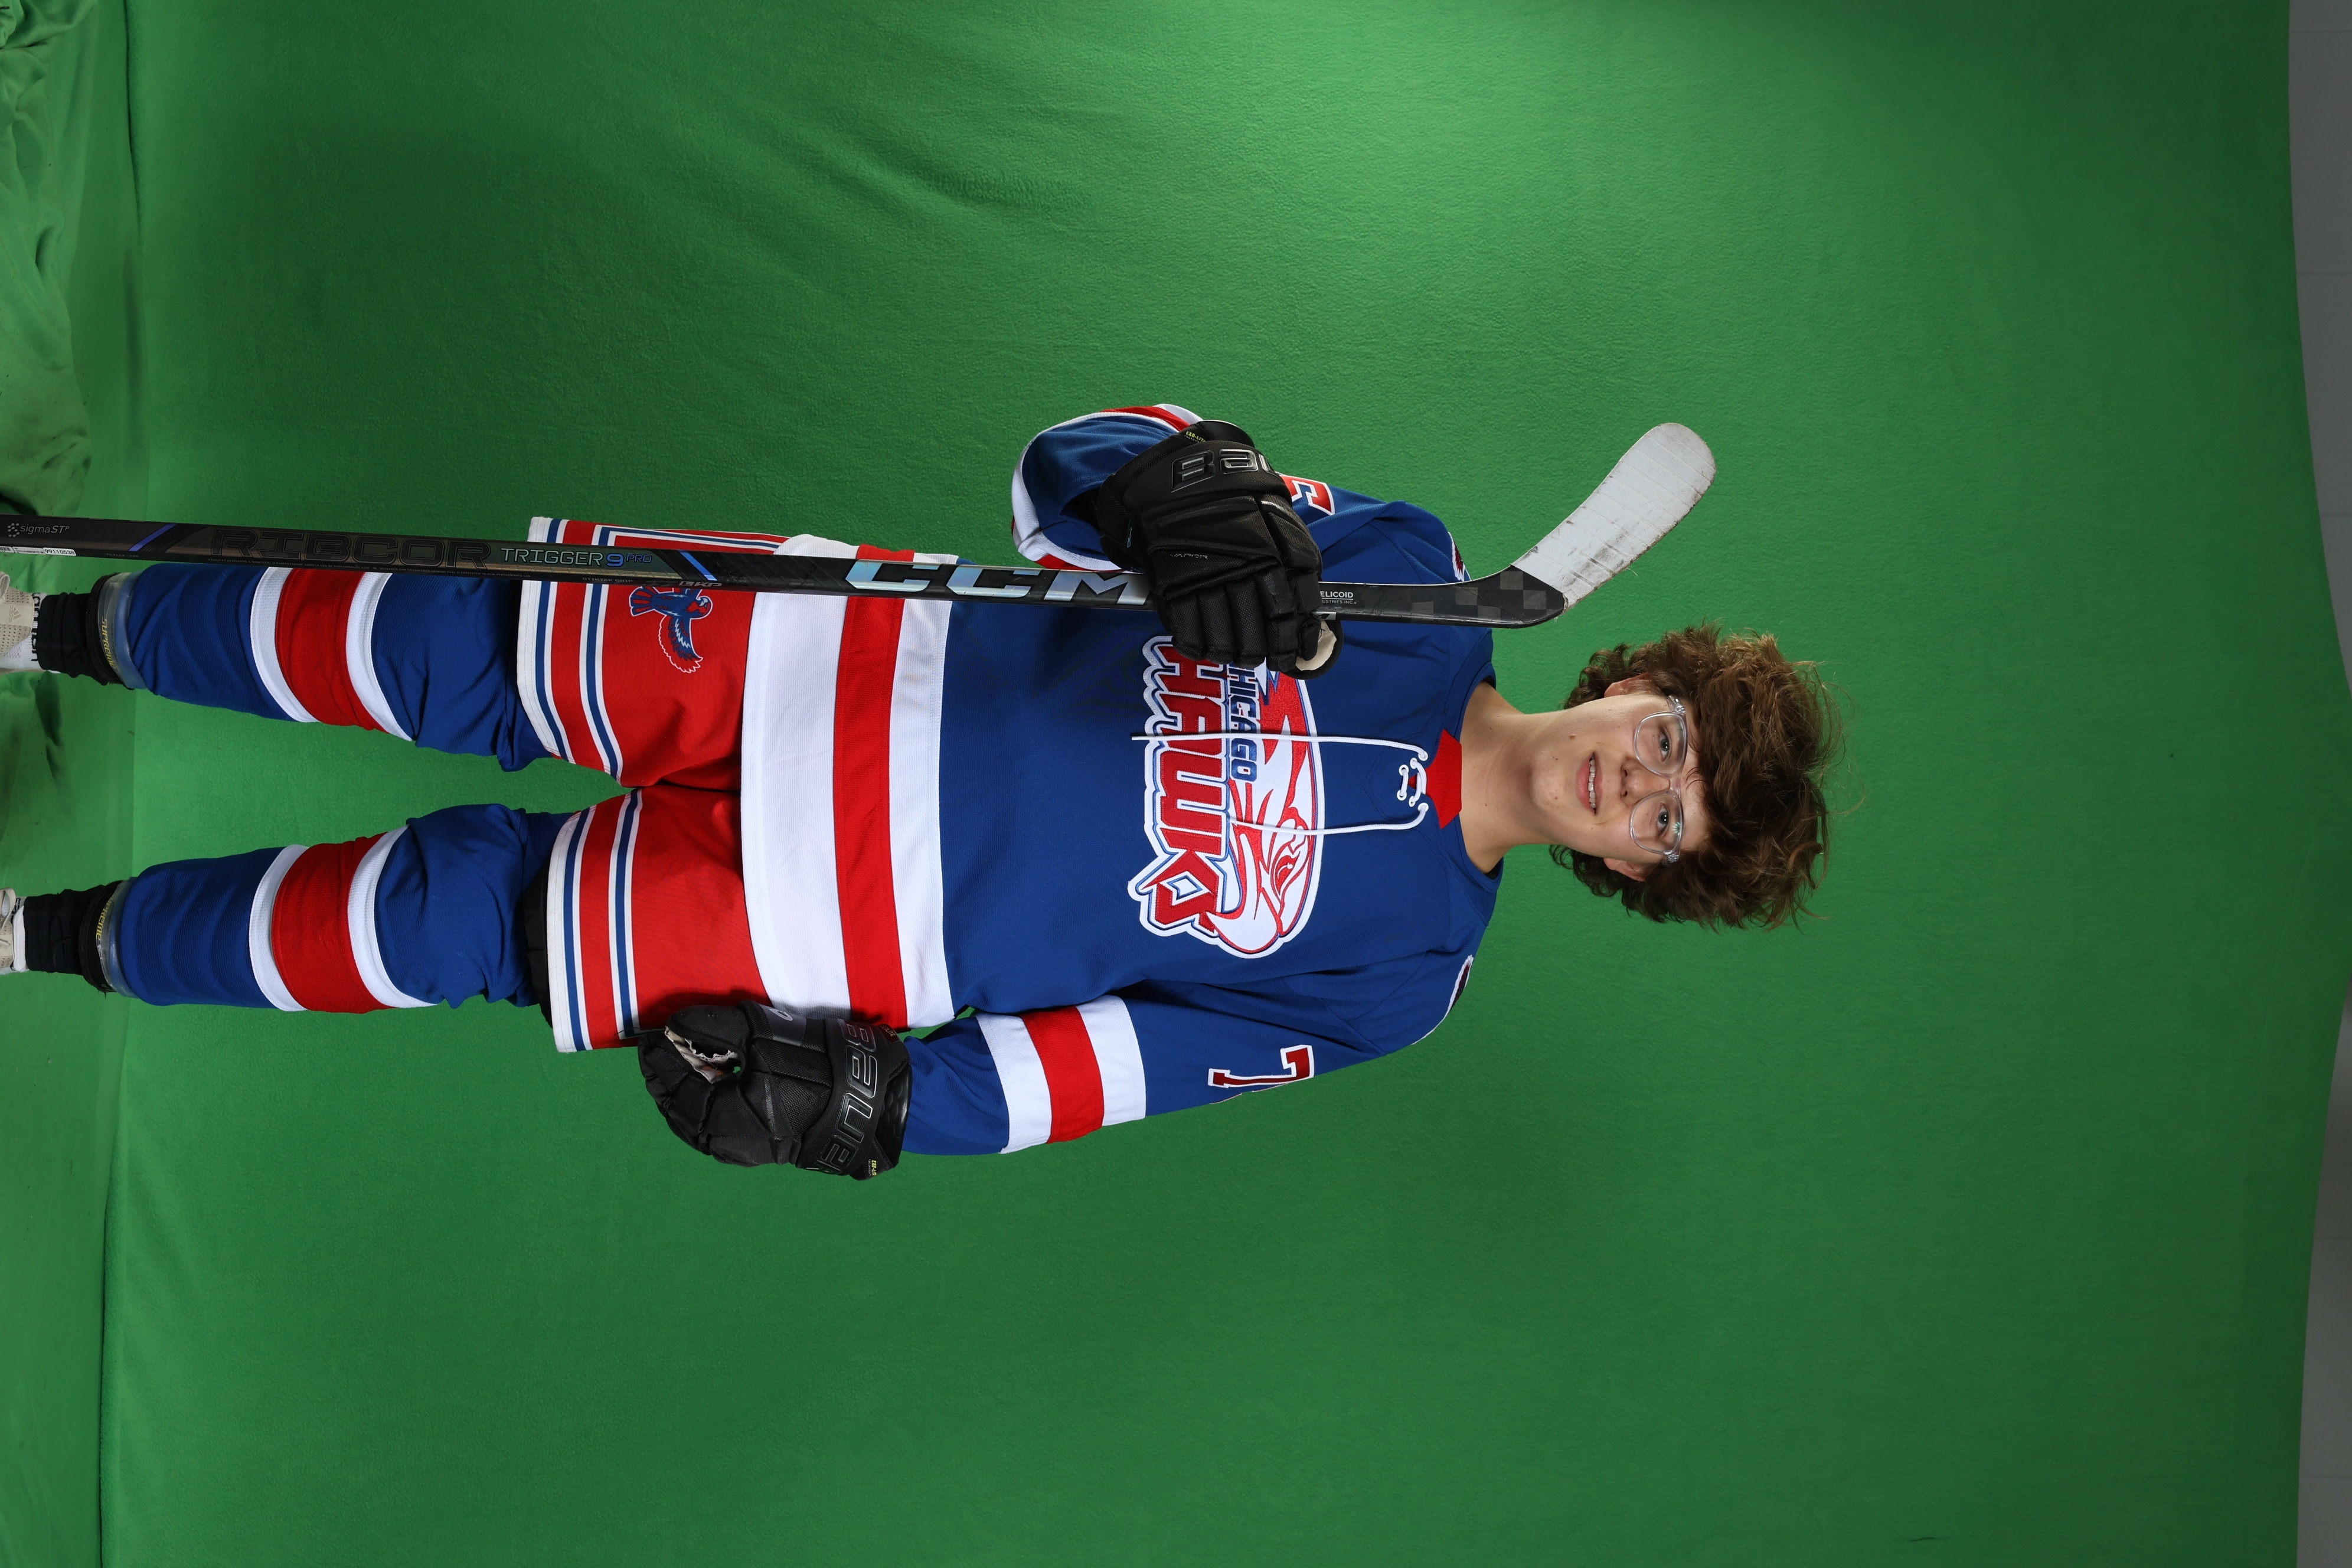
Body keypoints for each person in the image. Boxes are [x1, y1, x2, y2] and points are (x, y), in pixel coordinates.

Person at [0, 404, 1837, 1176]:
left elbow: (1117, 1062)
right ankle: (44, 625)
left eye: (1668, 822)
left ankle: (34, 932)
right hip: (829, 655)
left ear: (1639, 874)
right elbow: (1068, 473)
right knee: (424, 640)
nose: (1640, 783)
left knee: (427, 927)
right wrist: (1182, 496)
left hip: (824, 928)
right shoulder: (1412, 574)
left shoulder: (1404, 977)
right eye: (1674, 741)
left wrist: (883, 1108)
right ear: (1640, 678)